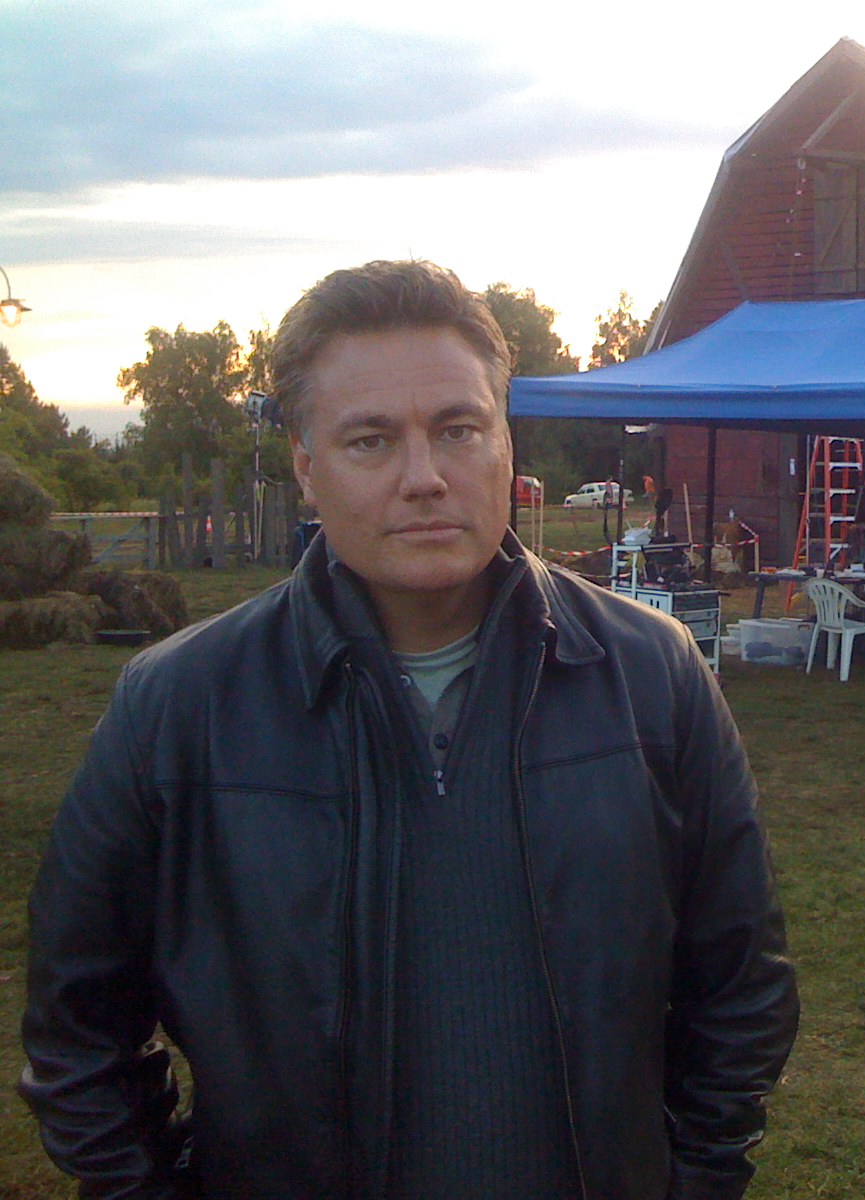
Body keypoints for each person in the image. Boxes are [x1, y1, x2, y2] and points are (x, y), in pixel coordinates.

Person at [20, 260, 799, 1200]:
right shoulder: (179, 707)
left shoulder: (653, 679)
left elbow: (741, 988)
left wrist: (698, 1176)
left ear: (508, 445)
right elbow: (77, 1026)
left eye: (458, 429)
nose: (425, 477)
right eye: (370, 440)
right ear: (307, 468)